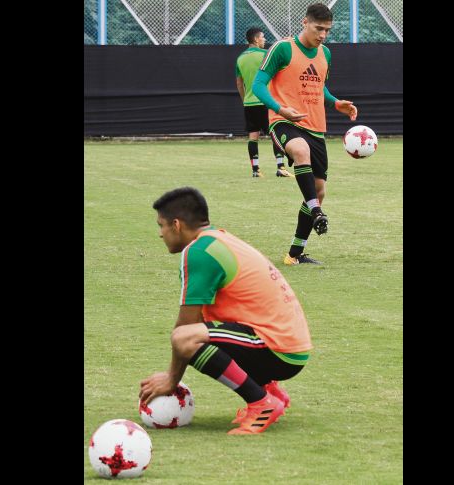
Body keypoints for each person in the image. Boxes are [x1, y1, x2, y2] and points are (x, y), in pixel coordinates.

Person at [139, 187, 312, 435]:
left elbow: (186, 329)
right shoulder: (218, 240)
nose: (160, 234)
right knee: (203, 331)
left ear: (176, 225)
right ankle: (271, 392)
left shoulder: (199, 252)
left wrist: (171, 380)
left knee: (184, 338)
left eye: (161, 226)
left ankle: (261, 403)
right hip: (290, 345)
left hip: (279, 348)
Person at [252, 3, 358, 265]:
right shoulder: (283, 48)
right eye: (318, 28)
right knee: (301, 151)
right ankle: (317, 211)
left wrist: (335, 103)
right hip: (283, 121)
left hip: (316, 126)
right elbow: (258, 84)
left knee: (318, 190)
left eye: (327, 30)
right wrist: (280, 109)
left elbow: (319, 87)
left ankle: (294, 255)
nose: (322, 35)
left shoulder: (326, 54)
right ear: (305, 23)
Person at [235, 27, 291, 178]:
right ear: (255, 39)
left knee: (253, 136)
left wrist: (245, 100)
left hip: (249, 103)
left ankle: (256, 170)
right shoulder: (265, 55)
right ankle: (281, 167)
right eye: (263, 37)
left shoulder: (240, 58)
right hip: (266, 101)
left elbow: (239, 83)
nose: (264, 40)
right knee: (275, 133)